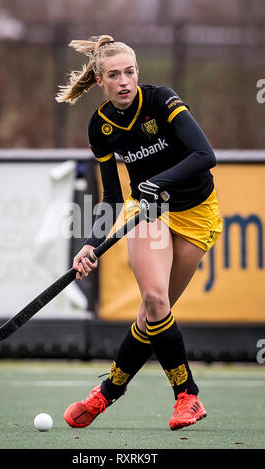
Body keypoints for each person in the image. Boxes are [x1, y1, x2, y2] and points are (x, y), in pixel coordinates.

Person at [56, 35, 222, 431]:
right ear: (101, 81)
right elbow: (111, 196)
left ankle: (106, 393)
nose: (125, 81)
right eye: (115, 75)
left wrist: (157, 179)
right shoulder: (100, 127)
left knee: (152, 317)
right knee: (154, 296)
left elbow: (205, 156)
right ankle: (188, 397)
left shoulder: (162, 99)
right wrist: (91, 243)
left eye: (130, 72)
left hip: (197, 213)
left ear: (137, 74)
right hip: (150, 212)